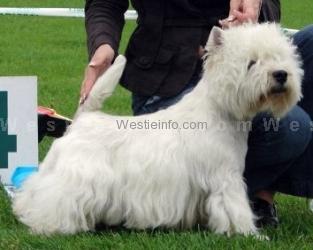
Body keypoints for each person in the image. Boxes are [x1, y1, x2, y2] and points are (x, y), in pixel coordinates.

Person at [81, 0, 313, 228]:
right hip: (166, 78)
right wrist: (103, 45)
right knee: (220, 148)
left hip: (234, 72)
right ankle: (230, 197)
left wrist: (256, 3)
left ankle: (257, 196)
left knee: (291, 123)